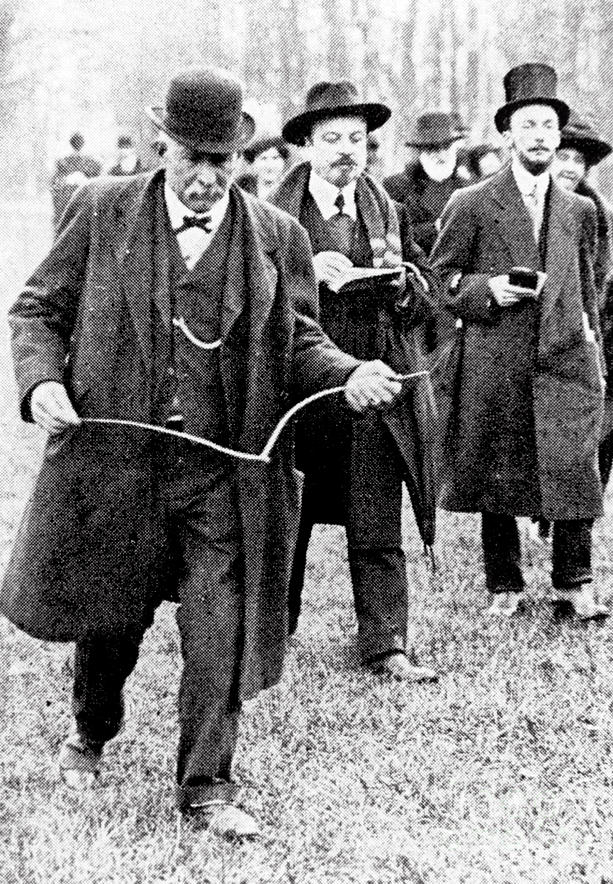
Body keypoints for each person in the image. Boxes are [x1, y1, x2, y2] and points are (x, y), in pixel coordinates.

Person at [1, 66, 403, 840]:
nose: (206, 177)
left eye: (223, 162)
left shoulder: (275, 236)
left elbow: (300, 341)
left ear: (242, 160)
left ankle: (208, 785)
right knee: (108, 625)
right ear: (165, 148)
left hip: (223, 472)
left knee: (220, 628)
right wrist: (40, 382)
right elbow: (37, 309)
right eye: (192, 158)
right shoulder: (102, 210)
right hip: (119, 463)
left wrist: (348, 373)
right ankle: (91, 728)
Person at [272, 80, 440, 683]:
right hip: (298, 392)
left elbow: (426, 297)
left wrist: (400, 283)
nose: (347, 150)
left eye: (357, 139)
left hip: (371, 389)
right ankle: (271, 633)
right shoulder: (272, 215)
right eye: (332, 139)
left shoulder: (386, 209)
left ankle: (386, 644)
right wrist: (306, 270)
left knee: (376, 517)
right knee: (284, 517)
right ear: (307, 147)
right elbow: (245, 300)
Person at [430, 62, 609, 620]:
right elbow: (441, 281)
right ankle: (503, 584)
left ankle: (574, 585)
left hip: (565, 359)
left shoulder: (581, 211)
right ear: (508, 134)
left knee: (574, 463)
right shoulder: (472, 203)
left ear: (560, 137)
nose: (540, 137)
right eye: (528, 125)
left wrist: (588, 344)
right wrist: (490, 289)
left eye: (550, 127)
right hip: (495, 359)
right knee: (497, 471)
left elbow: (591, 282)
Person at [552, 111, 613, 488]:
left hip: (590, 338)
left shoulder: (601, 217)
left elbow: (610, 279)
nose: (569, 167)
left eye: (577, 160)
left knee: (595, 436)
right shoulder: (509, 205)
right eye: (561, 156)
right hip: (525, 338)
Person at [383, 110, 470, 254]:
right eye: (433, 148)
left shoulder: (467, 188)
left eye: (446, 147)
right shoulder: (397, 187)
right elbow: (391, 237)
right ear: (421, 151)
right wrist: (434, 228)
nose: (442, 156)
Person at [50, 132, 101, 233]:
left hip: (80, 207)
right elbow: (55, 187)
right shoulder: (90, 163)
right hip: (74, 207)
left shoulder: (91, 163)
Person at [237, 132, 289, 199]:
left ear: (283, 161)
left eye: (275, 158)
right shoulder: (241, 187)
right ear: (253, 163)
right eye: (263, 158)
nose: (270, 165)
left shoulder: (293, 188)